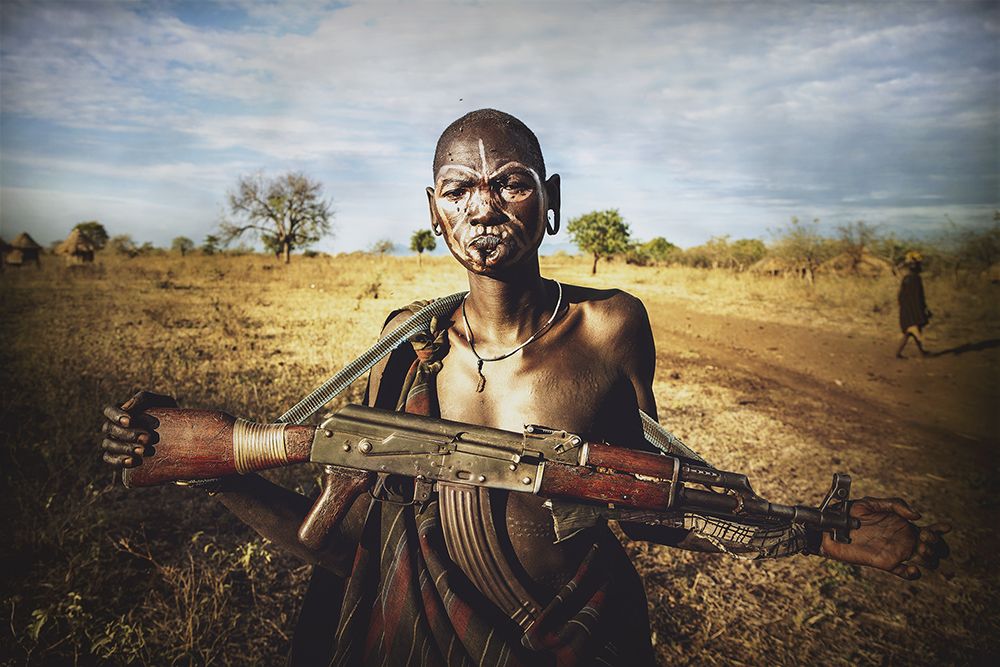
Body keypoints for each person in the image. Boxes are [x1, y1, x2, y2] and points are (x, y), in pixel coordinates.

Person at [100, 109, 950, 665]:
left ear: (549, 200)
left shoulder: (611, 326)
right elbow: (350, 543)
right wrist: (211, 466)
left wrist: (806, 534)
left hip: (580, 632)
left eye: (508, 181)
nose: (484, 206)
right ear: (433, 211)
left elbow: (642, 494)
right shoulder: (405, 344)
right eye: (459, 189)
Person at [896, 251, 932, 358]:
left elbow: (901, 296)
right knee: (913, 330)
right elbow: (920, 297)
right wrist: (924, 308)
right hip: (914, 310)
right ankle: (918, 352)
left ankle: (919, 352)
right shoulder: (916, 279)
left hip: (907, 309)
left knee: (911, 331)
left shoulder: (906, 278)